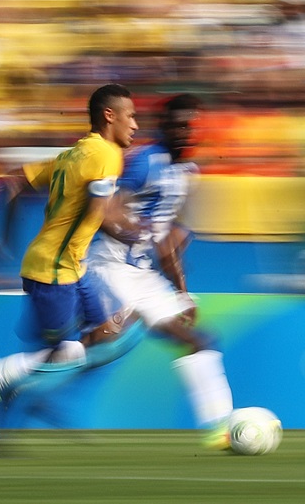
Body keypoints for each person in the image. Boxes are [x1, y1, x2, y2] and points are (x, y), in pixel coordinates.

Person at [0, 83, 143, 438]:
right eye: (132, 116)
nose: (136, 125)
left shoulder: (72, 155)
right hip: (54, 271)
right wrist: (136, 234)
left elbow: (15, 181)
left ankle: (32, 390)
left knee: (109, 334)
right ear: (110, 116)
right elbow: (102, 214)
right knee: (69, 352)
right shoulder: (108, 154)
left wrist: (5, 238)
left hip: (70, 267)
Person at [85, 93, 235, 450]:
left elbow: (167, 239)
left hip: (142, 274)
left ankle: (221, 427)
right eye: (180, 125)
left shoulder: (187, 172)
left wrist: (182, 292)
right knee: (104, 344)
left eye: (192, 126)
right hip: (111, 265)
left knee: (199, 341)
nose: (187, 132)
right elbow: (105, 214)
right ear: (165, 127)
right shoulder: (144, 162)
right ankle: (4, 377)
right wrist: (134, 230)